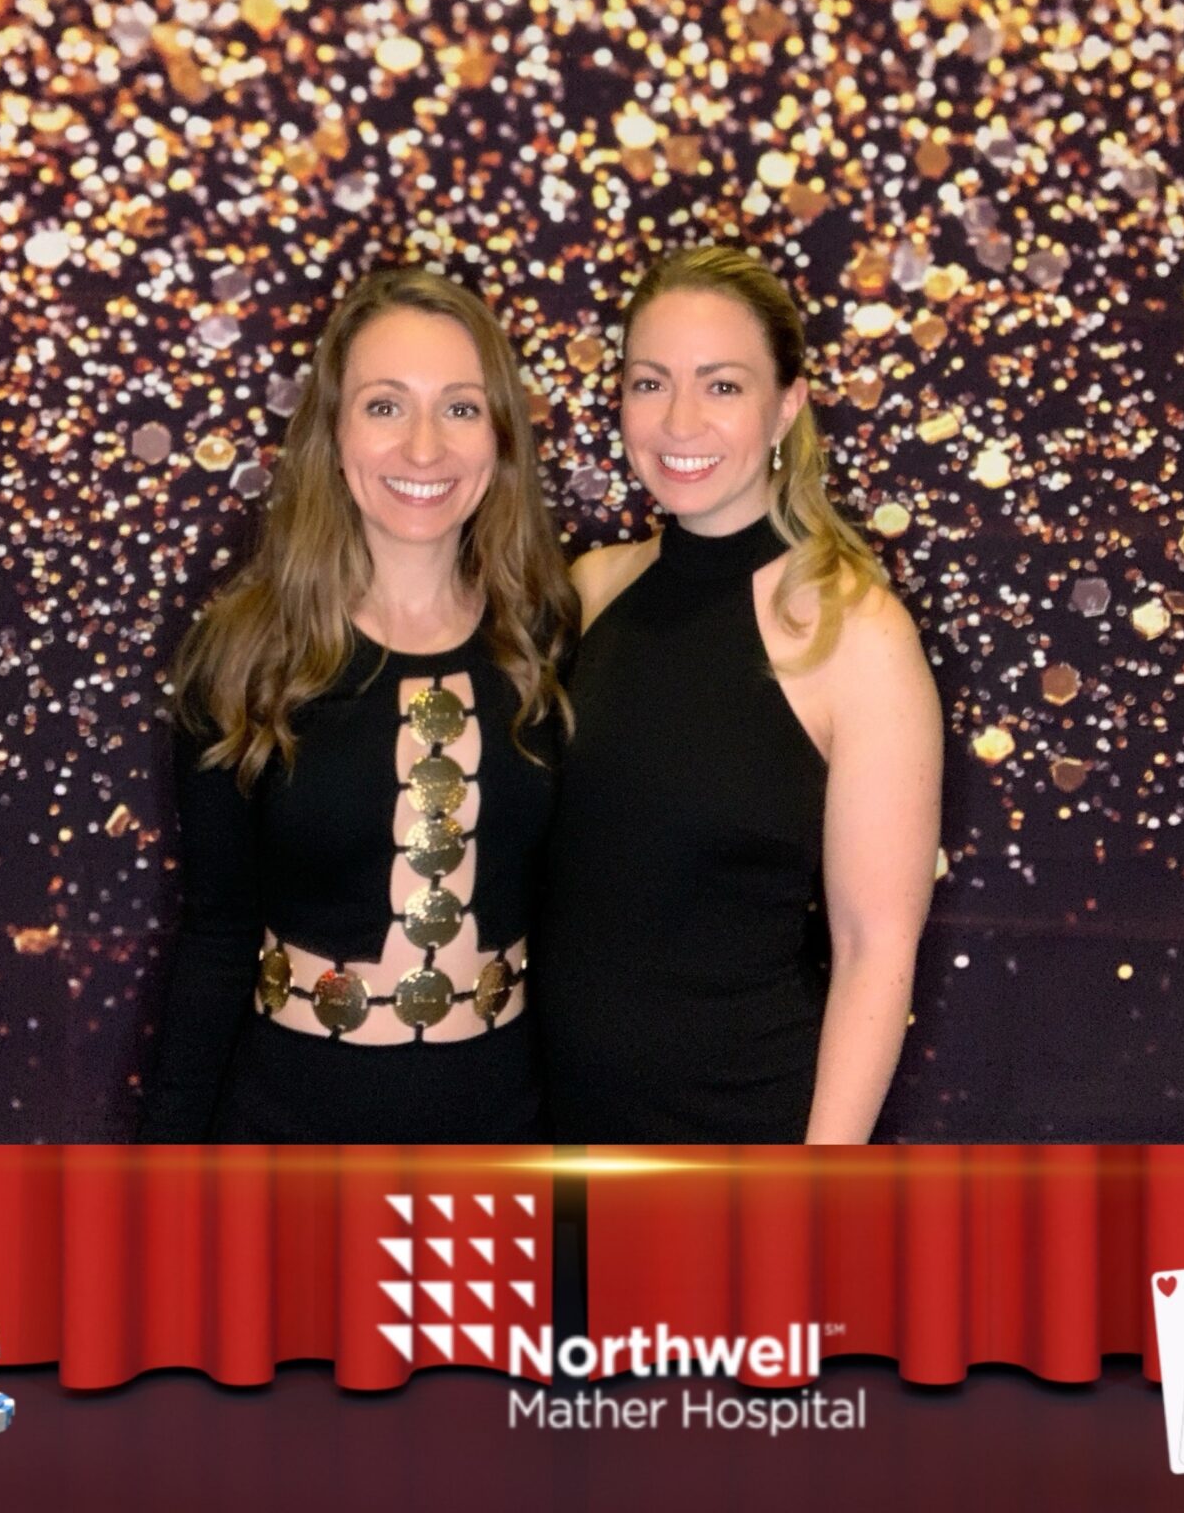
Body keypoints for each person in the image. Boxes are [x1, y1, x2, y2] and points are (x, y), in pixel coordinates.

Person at [135, 265, 576, 1143]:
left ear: (499, 436)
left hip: (501, 1134)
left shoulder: (552, 640)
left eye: (459, 407)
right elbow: (216, 936)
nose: (424, 449)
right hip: (287, 1133)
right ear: (331, 432)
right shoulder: (245, 654)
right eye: (384, 406)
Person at [533, 243, 944, 1144]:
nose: (679, 421)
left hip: (740, 1139)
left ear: (786, 404)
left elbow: (875, 951)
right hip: (549, 1130)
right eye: (650, 383)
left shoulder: (859, 636)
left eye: (721, 386)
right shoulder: (590, 589)